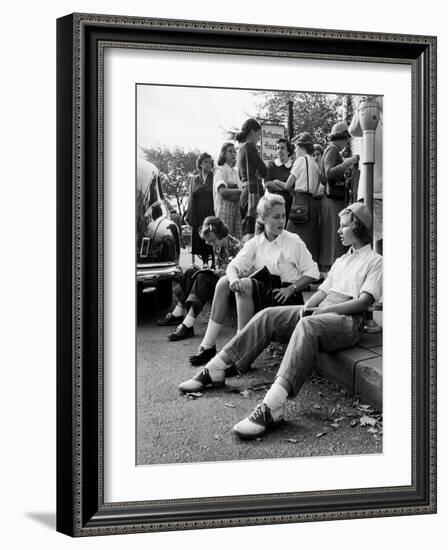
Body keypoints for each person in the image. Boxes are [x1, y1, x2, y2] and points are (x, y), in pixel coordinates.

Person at [179, 203, 382, 440]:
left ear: (358, 227)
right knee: (269, 315)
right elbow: (322, 291)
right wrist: (306, 308)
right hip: (324, 310)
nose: (338, 230)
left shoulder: (375, 261)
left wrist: (320, 312)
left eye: (344, 226)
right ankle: (216, 368)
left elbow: (363, 302)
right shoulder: (341, 260)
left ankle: (274, 405)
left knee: (307, 325)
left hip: (347, 320)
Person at [187, 193, 319, 367]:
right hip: (263, 294)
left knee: (246, 284)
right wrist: (233, 279)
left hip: (284, 298)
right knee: (224, 282)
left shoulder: (294, 242)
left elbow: (313, 272)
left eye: (283, 216)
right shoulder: (255, 243)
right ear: (263, 219)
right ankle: (208, 344)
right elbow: (233, 266)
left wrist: (292, 289)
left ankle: (239, 353)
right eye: (276, 217)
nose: (282, 221)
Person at [157, 216, 242, 340]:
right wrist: (210, 270)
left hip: (231, 288)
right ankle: (178, 312)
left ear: (220, 233)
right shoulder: (218, 244)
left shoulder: (237, 247)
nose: (211, 244)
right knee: (192, 271)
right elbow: (219, 268)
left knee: (203, 277)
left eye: (212, 240)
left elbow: (240, 274)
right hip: (221, 282)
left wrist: (218, 273)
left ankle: (188, 324)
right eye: (209, 242)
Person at [319, 122, 360, 272]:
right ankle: (335, 269)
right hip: (333, 199)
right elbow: (329, 173)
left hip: (331, 199)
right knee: (336, 235)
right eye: (346, 138)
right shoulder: (332, 150)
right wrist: (348, 162)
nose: (346, 142)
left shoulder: (332, 150)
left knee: (334, 235)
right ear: (341, 137)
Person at [285, 133, 322, 262]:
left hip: (300, 203)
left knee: (288, 237)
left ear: (301, 146)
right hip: (312, 204)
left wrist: (276, 183)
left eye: (295, 147)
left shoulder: (301, 160)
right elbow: (316, 189)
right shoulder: (316, 165)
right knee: (309, 241)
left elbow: (287, 185)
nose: (294, 150)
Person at [236, 118, 267, 241]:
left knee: (248, 225)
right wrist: (260, 173)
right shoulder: (249, 146)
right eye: (258, 135)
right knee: (255, 227)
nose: (258, 138)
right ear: (252, 132)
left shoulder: (240, 149)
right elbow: (263, 170)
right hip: (253, 192)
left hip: (245, 191)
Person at [184, 153, 215, 266]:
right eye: (206, 162)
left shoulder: (215, 177)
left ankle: (214, 262)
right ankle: (205, 262)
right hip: (198, 211)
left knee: (212, 234)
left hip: (211, 211)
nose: (208, 164)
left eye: (210, 162)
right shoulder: (194, 180)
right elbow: (191, 197)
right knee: (201, 236)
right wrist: (190, 215)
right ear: (200, 164)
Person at [213, 142, 243, 240]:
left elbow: (240, 191)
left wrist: (236, 191)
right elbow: (222, 192)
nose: (233, 154)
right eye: (230, 151)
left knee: (237, 239)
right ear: (223, 154)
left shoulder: (235, 171)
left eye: (235, 152)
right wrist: (238, 191)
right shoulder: (220, 170)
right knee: (226, 238)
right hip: (224, 209)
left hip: (236, 208)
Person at [264, 138, 294, 222]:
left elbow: (293, 189)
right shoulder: (271, 165)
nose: (279, 151)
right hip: (273, 205)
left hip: (289, 206)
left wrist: (276, 182)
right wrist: (286, 187)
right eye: (277, 148)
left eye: (282, 148)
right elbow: (268, 184)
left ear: (288, 151)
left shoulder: (293, 168)